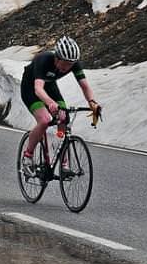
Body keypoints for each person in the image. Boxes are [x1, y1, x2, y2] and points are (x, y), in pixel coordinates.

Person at [20, 36, 101, 172]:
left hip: (50, 86)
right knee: (45, 120)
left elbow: (85, 86)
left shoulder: (73, 64)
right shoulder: (43, 60)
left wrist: (92, 103)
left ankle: (62, 157)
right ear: (56, 58)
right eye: (64, 63)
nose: (67, 67)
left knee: (64, 118)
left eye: (71, 64)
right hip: (31, 88)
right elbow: (38, 89)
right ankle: (27, 155)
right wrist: (50, 103)